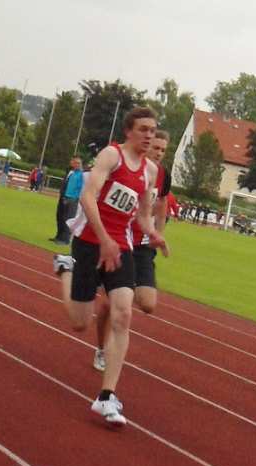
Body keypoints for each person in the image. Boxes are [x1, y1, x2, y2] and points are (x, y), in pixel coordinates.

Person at [52, 107, 167, 427]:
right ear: (129, 131)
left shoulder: (150, 171)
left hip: (122, 248)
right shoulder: (111, 156)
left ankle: (107, 396)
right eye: (143, 129)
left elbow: (142, 214)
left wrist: (153, 233)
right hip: (90, 243)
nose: (149, 135)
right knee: (79, 322)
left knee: (123, 314)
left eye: (153, 130)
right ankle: (65, 270)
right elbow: (88, 197)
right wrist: (103, 238)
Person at [91, 130, 172, 372]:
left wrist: (158, 234)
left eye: (163, 150)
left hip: (143, 246)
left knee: (148, 304)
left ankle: (123, 291)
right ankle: (102, 348)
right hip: (121, 241)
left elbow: (161, 204)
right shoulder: (128, 166)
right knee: (110, 305)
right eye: (155, 147)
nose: (158, 153)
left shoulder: (161, 174)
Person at [51, 158, 85, 244]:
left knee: (68, 218)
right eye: (73, 163)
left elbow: (81, 187)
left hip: (72, 199)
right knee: (61, 217)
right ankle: (59, 236)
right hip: (65, 196)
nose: (73, 164)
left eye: (75, 163)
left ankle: (65, 239)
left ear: (79, 164)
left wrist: (75, 197)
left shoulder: (81, 175)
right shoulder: (71, 173)